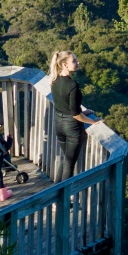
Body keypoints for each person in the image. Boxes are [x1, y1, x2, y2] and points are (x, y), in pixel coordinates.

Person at [49, 50, 101, 180]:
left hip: (58, 123)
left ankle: (56, 192)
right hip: (71, 127)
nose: (78, 63)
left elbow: (65, 105)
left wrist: (83, 112)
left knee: (66, 158)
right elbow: (75, 114)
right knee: (69, 164)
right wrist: (93, 122)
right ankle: (62, 199)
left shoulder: (54, 80)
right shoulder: (72, 85)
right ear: (65, 65)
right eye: (74, 61)